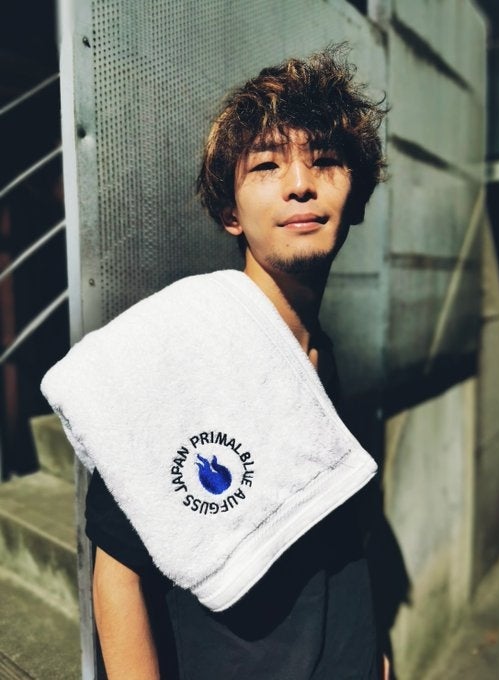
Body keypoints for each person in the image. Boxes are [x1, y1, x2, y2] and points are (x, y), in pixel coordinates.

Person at [86, 45, 388, 679]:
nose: (300, 183)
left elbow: (337, 538)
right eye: (268, 165)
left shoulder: (321, 354)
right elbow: (118, 577)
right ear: (229, 211)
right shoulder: (173, 353)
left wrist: (375, 652)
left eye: (324, 161)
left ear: (356, 197)